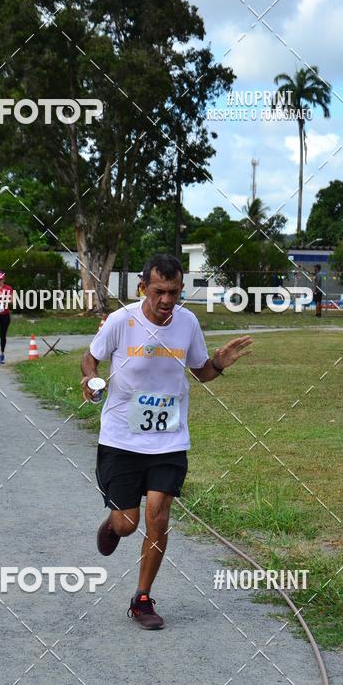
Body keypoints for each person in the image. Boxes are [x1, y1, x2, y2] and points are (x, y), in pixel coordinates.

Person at [80, 253, 252, 630]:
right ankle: (113, 525)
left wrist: (219, 362)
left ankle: (142, 598)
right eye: (159, 291)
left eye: (174, 292)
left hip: (168, 440)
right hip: (122, 439)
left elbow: (201, 372)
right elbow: (90, 359)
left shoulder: (187, 323)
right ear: (144, 287)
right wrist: (91, 381)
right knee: (128, 523)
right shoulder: (122, 322)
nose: (167, 300)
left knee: (158, 516)